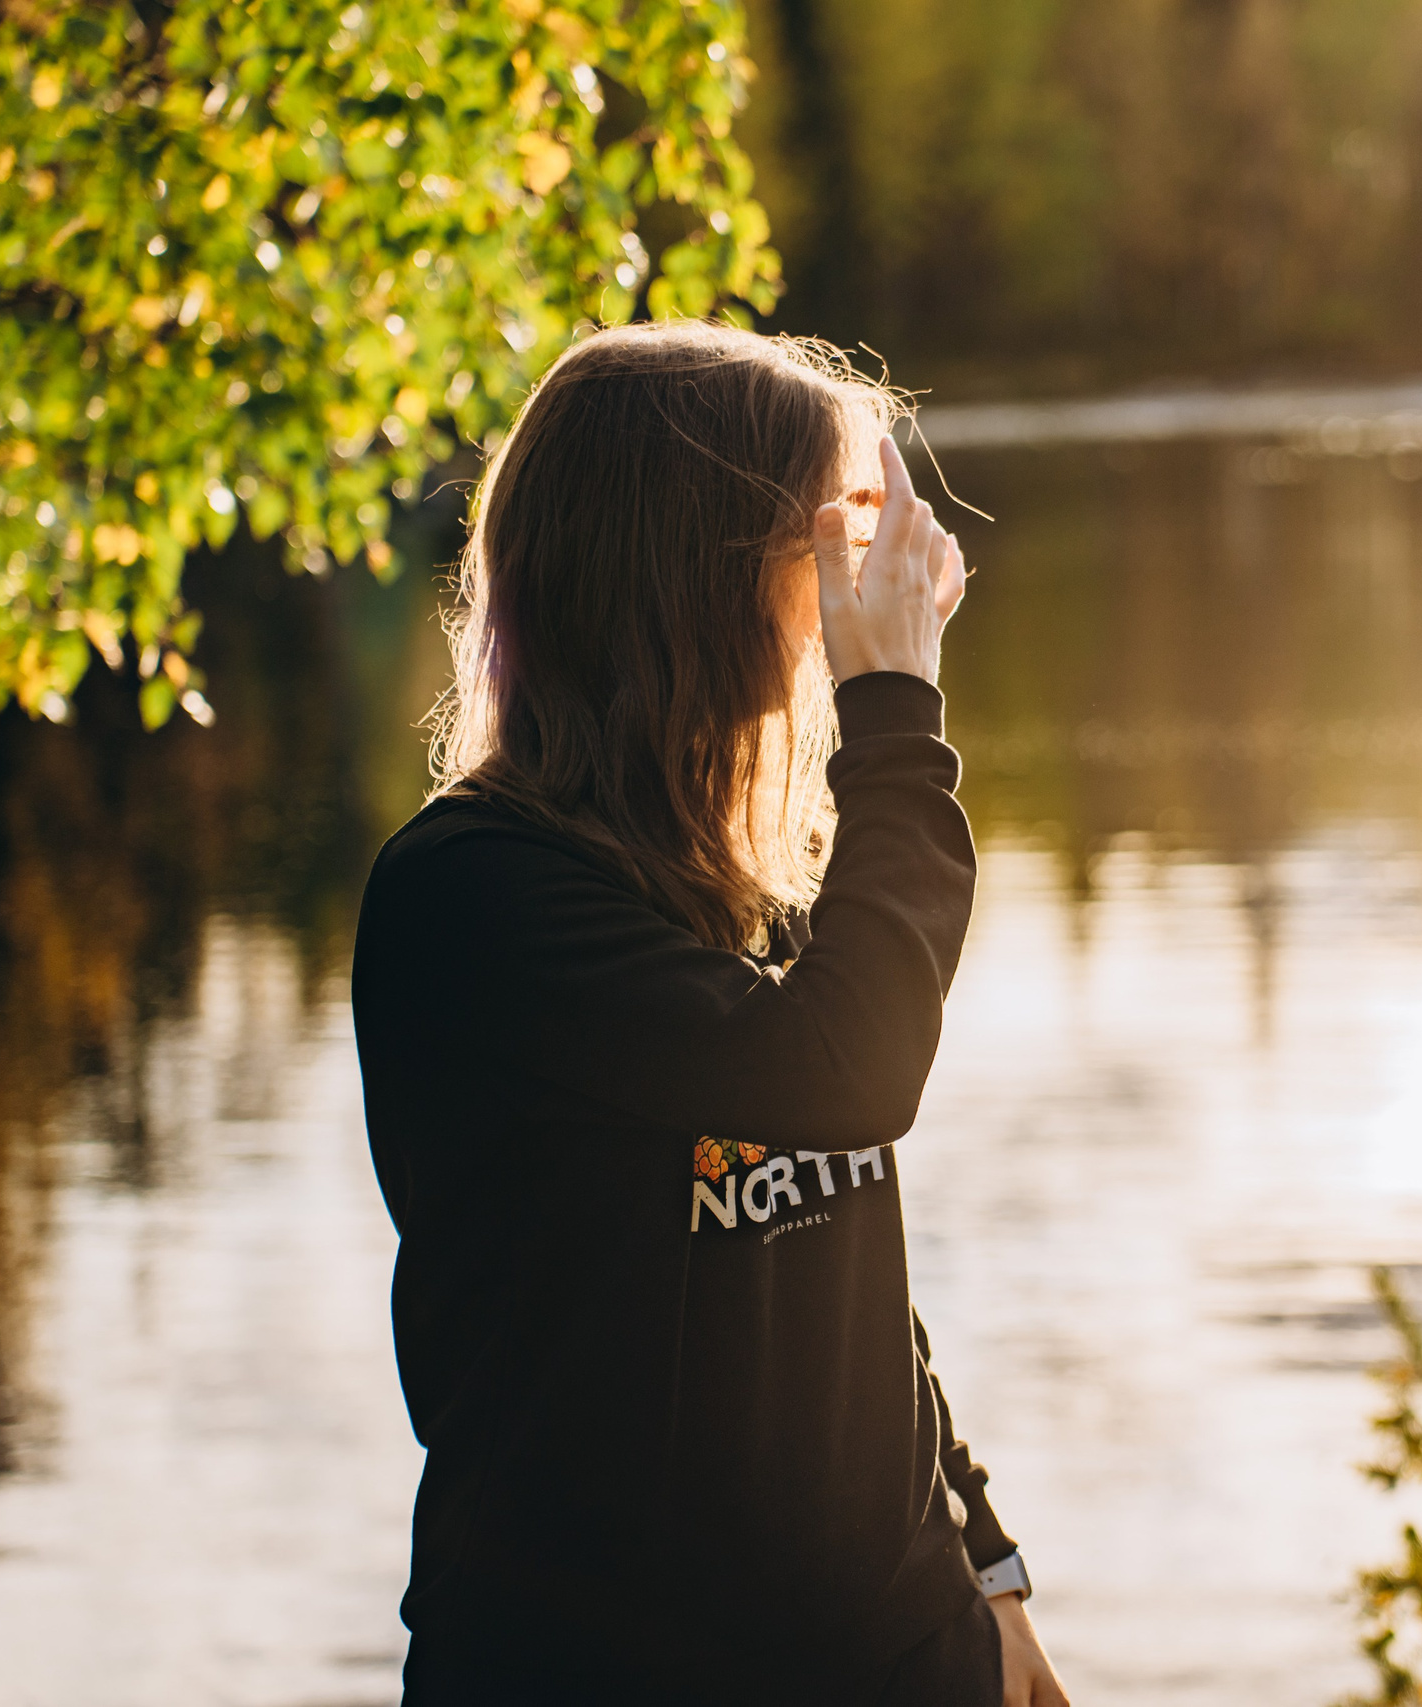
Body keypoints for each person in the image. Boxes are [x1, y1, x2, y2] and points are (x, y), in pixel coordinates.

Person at [351, 321, 1070, 1706]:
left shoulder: (749, 882)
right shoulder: (477, 902)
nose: (843, 604)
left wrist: (987, 1574)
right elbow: (851, 1072)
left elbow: (852, 1286)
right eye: (822, 552)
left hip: (904, 1662)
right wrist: (898, 718)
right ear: (686, 572)